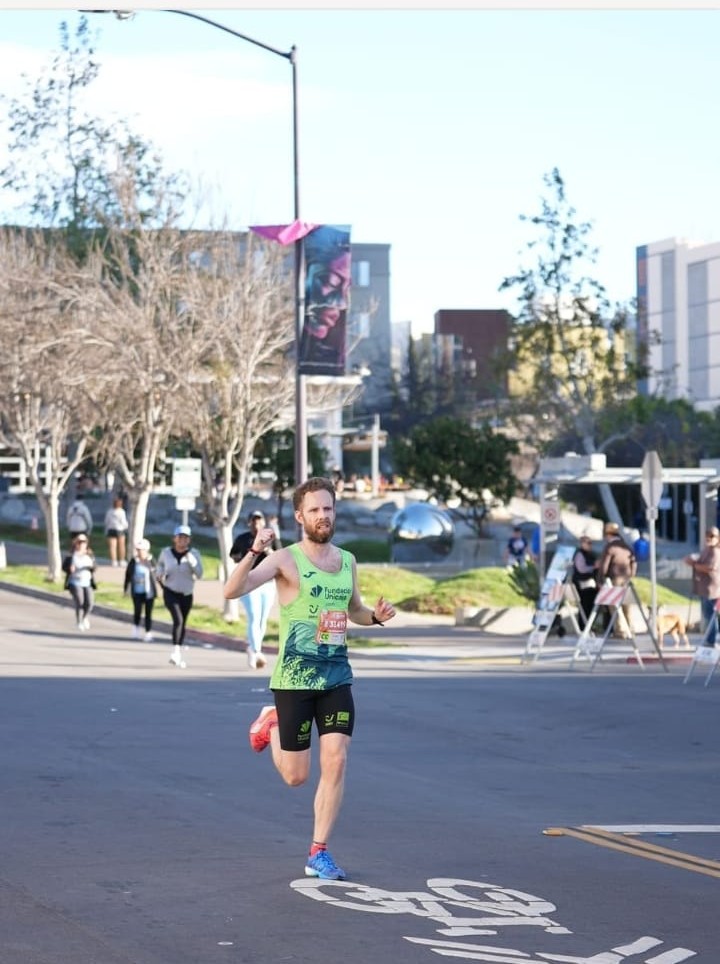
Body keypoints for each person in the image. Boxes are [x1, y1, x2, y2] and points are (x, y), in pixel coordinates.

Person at [223, 476, 396, 881]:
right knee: (296, 777)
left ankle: (319, 851)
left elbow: (353, 608)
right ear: (300, 516)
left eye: (328, 508)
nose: (323, 516)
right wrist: (254, 551)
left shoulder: (348, 561)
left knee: (335, 759)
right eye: (315, 510)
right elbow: (233, 591)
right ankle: (272, 721)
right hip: (295, 678)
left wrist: (373, 616)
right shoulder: (285, 559)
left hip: (336, 677)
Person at [230, 510, 282, 669]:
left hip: (267, 582)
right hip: (249, 582)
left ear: (263, 523)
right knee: (253, 615)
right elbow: (233, 555)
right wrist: (248, 555)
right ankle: (256, 650)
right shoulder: (243, 538)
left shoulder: (270, 538)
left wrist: (267, 551)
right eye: (253, 520)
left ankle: (253, 648)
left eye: (259, 520)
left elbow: (280, 555)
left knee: (262, 618)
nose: (256, 523)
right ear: (249, 522)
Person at [155, 525, 203, 668]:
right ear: (174, 539)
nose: (182, 540)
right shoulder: (166, 553)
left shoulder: (194, 553)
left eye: (185, 538)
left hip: (187, 593)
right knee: (178, 620)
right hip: (170, 591)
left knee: (183, 622)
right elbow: (160, 566)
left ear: (189, 540)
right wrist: (160, 574)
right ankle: (175, 651)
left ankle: (178, 651)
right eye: (180, 537)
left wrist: (191, 561)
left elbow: (200, 574)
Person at [598, 522, 637, 639]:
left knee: (614, 606)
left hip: (614, 579)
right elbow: (634, 562)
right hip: (626, 579)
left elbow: (604, 566)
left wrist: (601, 579)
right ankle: (630, 628)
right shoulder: (626, 546)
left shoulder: (610, 547)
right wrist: (632, 575)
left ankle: (620, 631)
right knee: (627, 605)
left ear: (608, 535)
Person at [684, 527, 720, 646]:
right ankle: (710, 638)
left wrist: (694, 564)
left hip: (712, 589)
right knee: (707, 614)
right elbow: (699, 561)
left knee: (710, 615)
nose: (709, 538)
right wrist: (692, 561)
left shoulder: (715, 551)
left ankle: (711, 640)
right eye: (707, 535)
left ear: (717, 538)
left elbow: (710, 567)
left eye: (712, 536)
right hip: (704, 588)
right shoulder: (706, 550)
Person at [124, 538, 158, 641]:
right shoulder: (134, 561)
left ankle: (148, 632)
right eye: (138, 550)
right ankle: (136, 629)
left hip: (149, 591)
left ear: (146, 550)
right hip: (137, 591)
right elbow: (128, 575)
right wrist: (125, 589)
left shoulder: (151, 561)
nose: (139, 552)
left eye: (141, 550)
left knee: (148, 612)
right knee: (137, 610)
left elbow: (157, 574)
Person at [62, 534, 97, 631]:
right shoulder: (72, 555)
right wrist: (70, 569)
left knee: (89, 602)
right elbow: (64, 567)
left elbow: (94, 567)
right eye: (80, 542)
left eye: (84, 542)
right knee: (80, 601)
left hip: (87, 581)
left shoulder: (89, 554)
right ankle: (79, 621)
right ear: (76, 543)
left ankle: (85, 617)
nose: (82, 544)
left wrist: (91, 568)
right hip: (75, 582)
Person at [571, 535, 599, 629]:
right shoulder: (580, 554)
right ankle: (583, 626)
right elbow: (581, 569)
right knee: (584, 605)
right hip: (583, 583)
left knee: (589, 605)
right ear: (582, 544)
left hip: (590, 584)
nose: (590, 545)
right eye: (588, 543)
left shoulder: (590, 554)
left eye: (591, 543)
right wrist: (593, 567)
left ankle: (587, 625)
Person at [104, 496, 129, 567]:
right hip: (120, 530)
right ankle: (121, 560)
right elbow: (123, 522)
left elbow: (106, 521)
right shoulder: (121, 512)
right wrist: (126, 527)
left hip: (111, 529)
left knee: (112, 547)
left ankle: (114, 561)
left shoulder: (109, 511)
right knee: (121, 546)